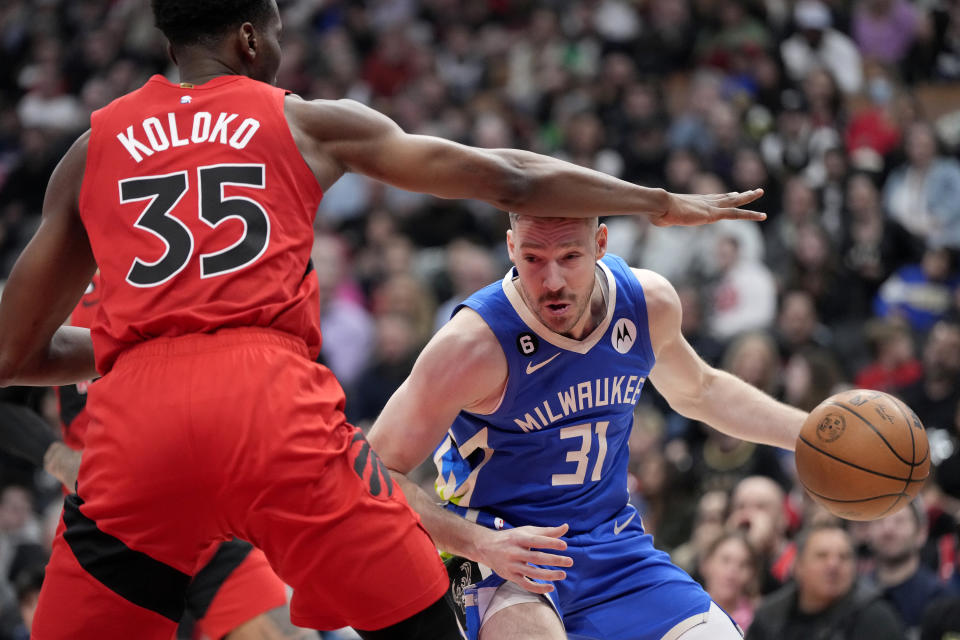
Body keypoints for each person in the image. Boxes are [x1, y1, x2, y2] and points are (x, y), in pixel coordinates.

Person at [0, 2, 765, 638]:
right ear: (249, 38)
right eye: (277, 32)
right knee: (424, 619)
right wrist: (656, 202)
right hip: (269, 405)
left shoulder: (90, 147)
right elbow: (515, 176)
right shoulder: (304, 121)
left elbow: (14, 353)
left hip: (135, 422)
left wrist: (139, 347)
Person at [366, 213, 805, 639]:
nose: (552, 280)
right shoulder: (472, 344)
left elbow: (702, 391)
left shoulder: (645, 303)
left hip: (614, 544)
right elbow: (374, 471)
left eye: (570, 257)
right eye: (534, 258)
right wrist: (478, 543)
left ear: (600, 244)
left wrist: (810, 436)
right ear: (511, 247)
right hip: (502, 553)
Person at [0, 272, 310, 640]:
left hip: (206, 518)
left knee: (288, 634)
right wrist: (58, 457)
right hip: (113, 531)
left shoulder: (190, 266)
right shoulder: (62, 276)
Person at [746, 523, 904, 640]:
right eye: (822, 556)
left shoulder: (876, 617)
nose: (833, 565)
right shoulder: (769, 616)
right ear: (798, 566)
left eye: (844, 557)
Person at [865, 500, 957, 636]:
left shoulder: (942, 599)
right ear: (868, 532)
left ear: (921, 533)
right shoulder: (854, 595)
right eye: (879, 521)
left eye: (900, 521)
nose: (888, 529)